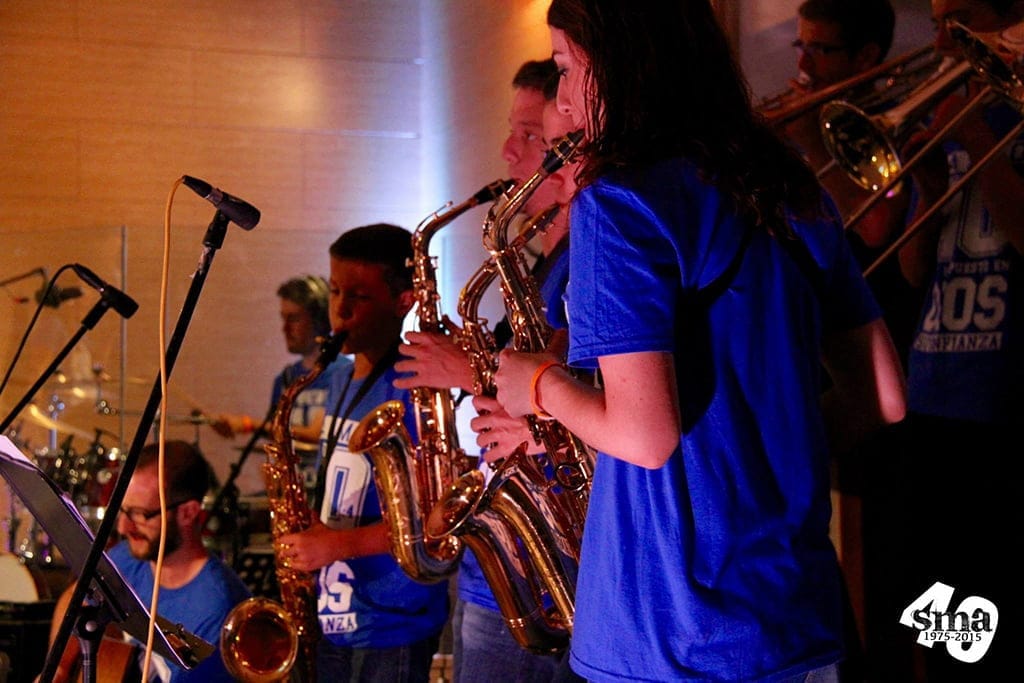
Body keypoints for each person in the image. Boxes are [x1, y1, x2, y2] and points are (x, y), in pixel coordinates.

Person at [491, 2, 907, 681]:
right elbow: (884, 396)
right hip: (796, 612)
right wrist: (751, 460)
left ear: (623, 66)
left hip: (671, 632)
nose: (563, 100)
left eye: (567, 68)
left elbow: (645, 434)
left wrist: (536, 384)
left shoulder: (621, 199)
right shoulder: (791, 187)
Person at [393, 59, 583, 683]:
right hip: (512, 561)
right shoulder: (540, 253)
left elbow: (583, 404)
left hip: (558, 558)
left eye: (533, 135)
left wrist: (469, 373)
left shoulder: (593, 252)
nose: (511, 151)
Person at [861, 1, 1024, 679]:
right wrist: (926, 184)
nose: (940, 37)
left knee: (996, 627)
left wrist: (979, 131)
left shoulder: (1000, 116)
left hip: (1002, 405)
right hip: (933, 399)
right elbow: (910, 265)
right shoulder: (947, 119)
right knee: (937, 612)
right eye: (936, 20)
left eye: (956, 17)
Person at [276, 223, 449, 682]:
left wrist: (336, 545)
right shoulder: (333, 379)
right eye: (335, 292)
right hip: (333, 612)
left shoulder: (417, 387)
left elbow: (436, 519)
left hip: (389, 621)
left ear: (404, 301)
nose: (341, 311)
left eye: (359, 296)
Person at [43, 440, 252, 683]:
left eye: (140, 514)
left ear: (188, 513)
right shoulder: (128, 559)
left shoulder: (217, 611)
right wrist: (59, 669)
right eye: (123, 511)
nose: (123, 527)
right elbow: (75, 599)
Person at [210, 275, 346, 492]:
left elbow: (316, 432)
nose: (284, 329)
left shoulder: (343, 373)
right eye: (283, 318)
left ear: (320, 319)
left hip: (325, 490)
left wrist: (248, 424)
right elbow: (277, 437)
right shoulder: (285, 379)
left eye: (294, 318)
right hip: (294, 488)